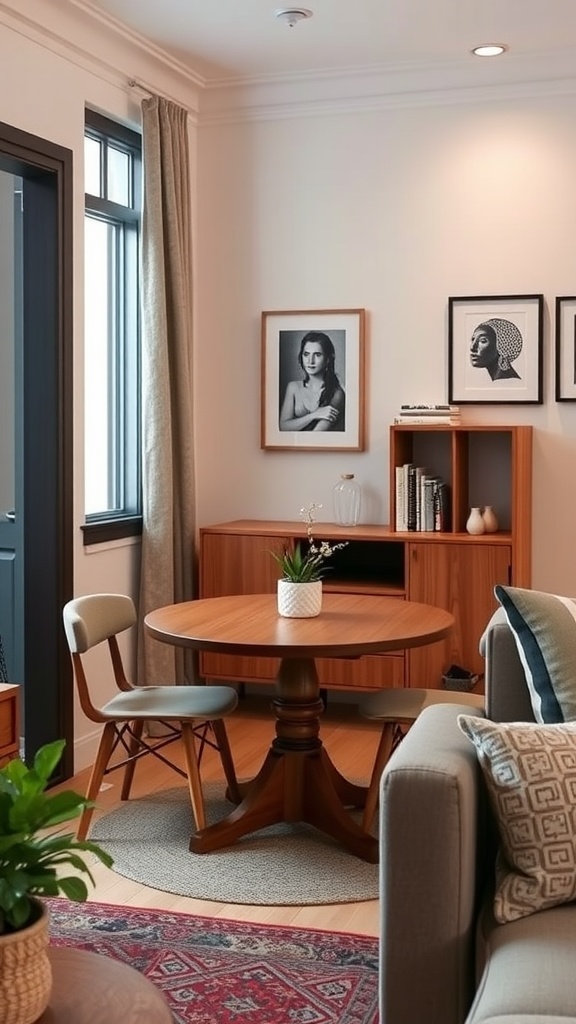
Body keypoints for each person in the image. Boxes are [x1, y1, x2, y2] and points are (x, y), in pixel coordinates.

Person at [279, 331, 345, 431]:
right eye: (306, 354)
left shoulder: (336, 393)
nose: (310, 361)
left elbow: (316, 435)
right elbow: (283, 427)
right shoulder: (293, 387)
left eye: (317, 355)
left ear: (327, 359)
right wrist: (314, 415)